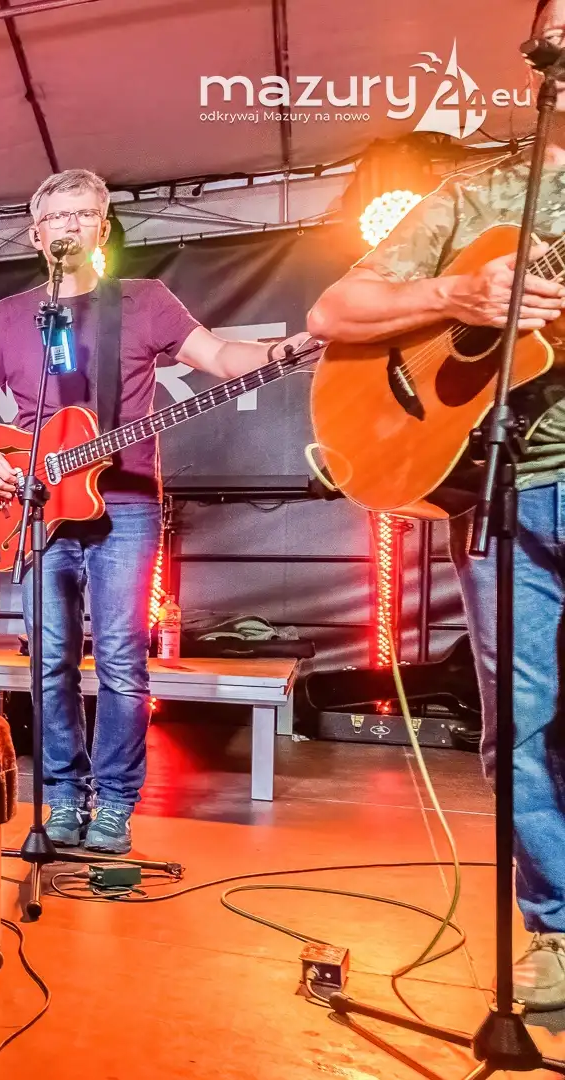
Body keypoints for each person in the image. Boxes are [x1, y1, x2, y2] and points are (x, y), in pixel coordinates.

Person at [306, 1, 565, 1010]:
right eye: (552, 39)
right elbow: (335, 310)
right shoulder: (486, 190)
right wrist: (456, 299)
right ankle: (556, 929)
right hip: (506, 490)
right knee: (522, 724)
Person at [0, 168, 309, 855]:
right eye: (57, 217)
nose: (70, 225)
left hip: (128, 503)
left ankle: (113, 803)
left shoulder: (144, 301)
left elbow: (219, 355)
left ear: (103, 228)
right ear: (35, 235)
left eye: (83, 214)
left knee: (120, 660)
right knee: (49, 662)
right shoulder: (9, 316)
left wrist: (278, 351)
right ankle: (60, 798)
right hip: (35, 505)